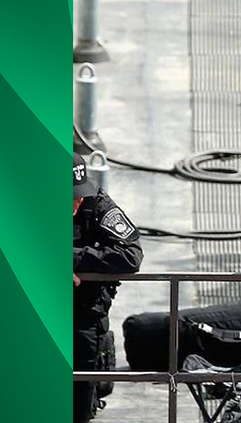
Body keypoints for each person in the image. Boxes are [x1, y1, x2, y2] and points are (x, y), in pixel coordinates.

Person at [73, 152, 143, 423]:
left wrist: (73, 259)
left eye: (79, 196)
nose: (76, 204)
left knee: (80, 390)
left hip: (85, 311)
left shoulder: (98, 204)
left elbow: (130, 256)